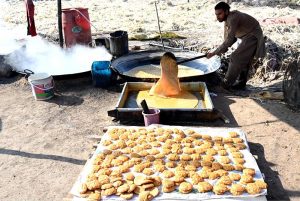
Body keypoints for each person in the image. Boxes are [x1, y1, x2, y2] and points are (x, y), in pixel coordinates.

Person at [207, 2, 266, 90]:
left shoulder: (233, 18)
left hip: (252, 35)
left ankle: (226, 84)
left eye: (219, 14)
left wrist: (214, 53)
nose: (217, 17)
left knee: (236, 57)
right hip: (246, 36)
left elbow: (229, 39)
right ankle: (241, 84)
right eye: (216, 14)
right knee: (243, 59)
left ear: (226, 11)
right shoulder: (227, 20)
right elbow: (230, 40)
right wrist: (220, 51)